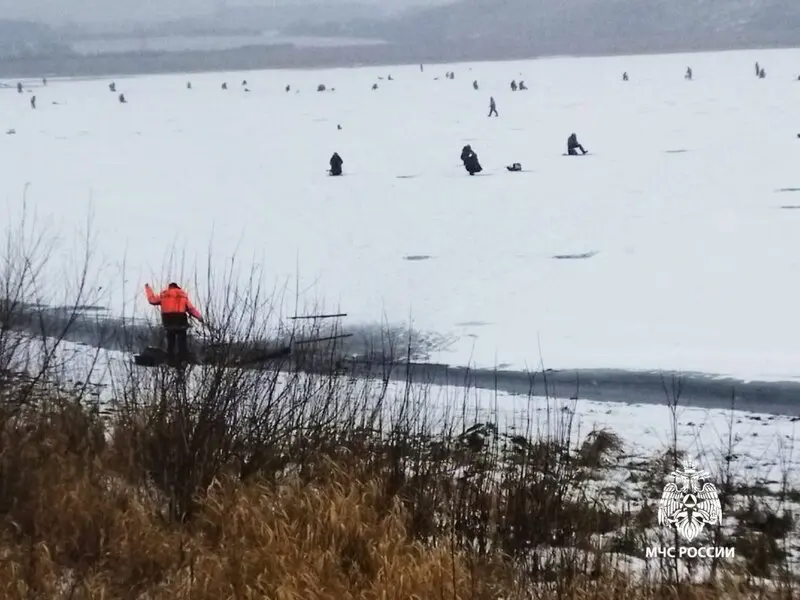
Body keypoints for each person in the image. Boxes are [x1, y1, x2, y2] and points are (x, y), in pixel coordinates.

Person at [145, 282, 203, 363]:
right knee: (182, 342)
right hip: (180, 321)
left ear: (169, 287)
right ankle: (182, 361)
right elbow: (191, 309)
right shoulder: (183, 295)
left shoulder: (164, 295)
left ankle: (170, 360)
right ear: (178, 287)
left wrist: (148, 288)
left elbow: (152, 300)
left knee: (171, 342)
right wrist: (199, 317)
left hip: (168, 322)